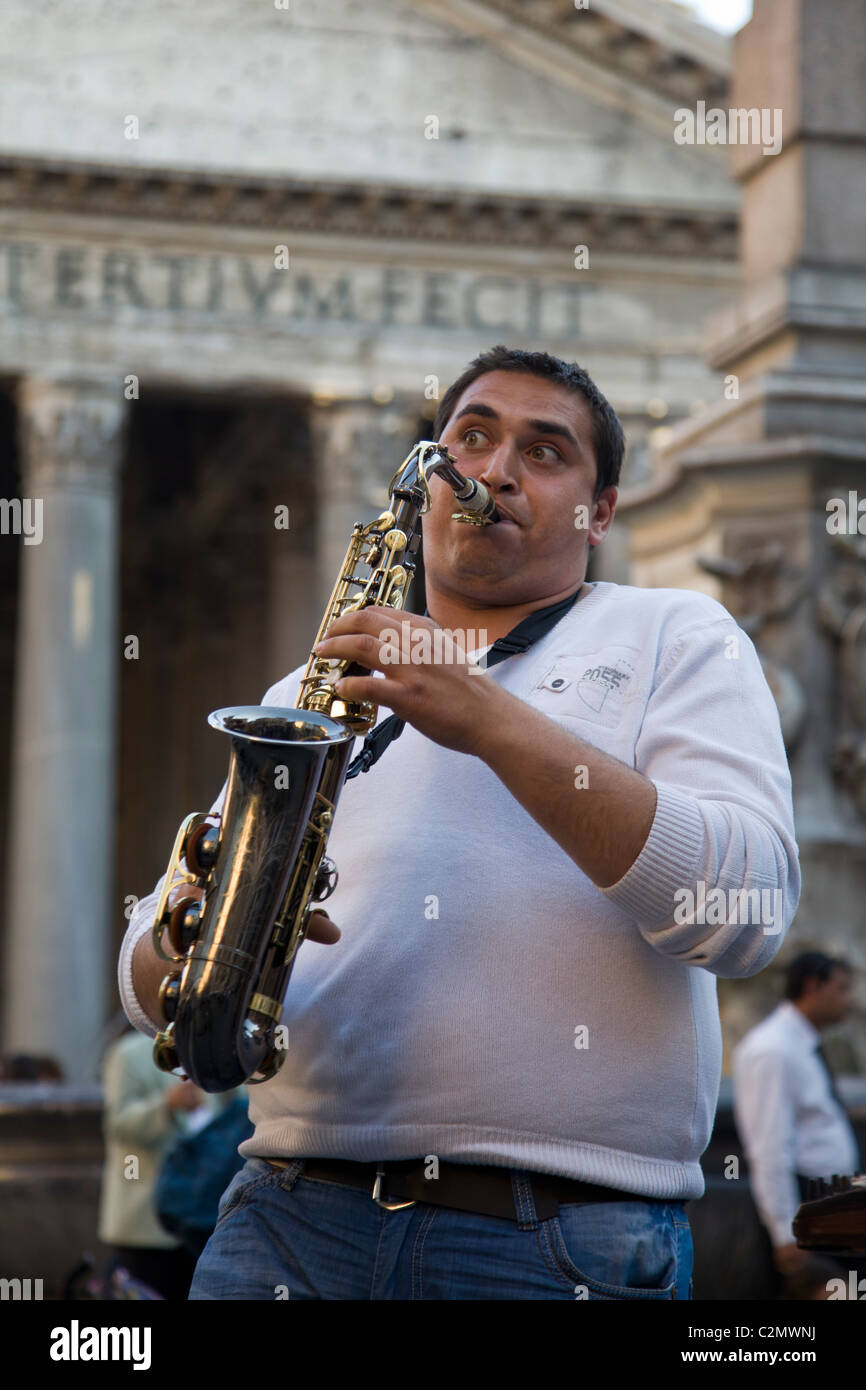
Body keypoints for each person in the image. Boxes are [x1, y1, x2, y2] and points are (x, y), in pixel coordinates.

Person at [118, 344, 800, 1301]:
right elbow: (144, 983)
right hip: (281, 1219)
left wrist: (482, 712)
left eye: (545, 451)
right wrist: (209, 930)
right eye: (470, 438)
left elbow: (747, 907)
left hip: (558, 1238)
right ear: (430, 477)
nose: (493, 472)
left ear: (600, 513)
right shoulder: (306, 691)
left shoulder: (676, 635)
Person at [733, 951, 862, 1297]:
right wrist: (785, 1234)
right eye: (842, 989)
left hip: (832, 1208)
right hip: (806, 1212)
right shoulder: (772, 1049)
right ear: (812, 986)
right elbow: (769, 1146)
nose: (849, 1001)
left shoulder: (802, 1044)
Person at [98, 1028, 223, 1300]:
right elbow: (117, 1124)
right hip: (146, 1224)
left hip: (201, 1220)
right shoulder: (128, 1052)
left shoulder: (205, 1046)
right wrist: (166, 1106)